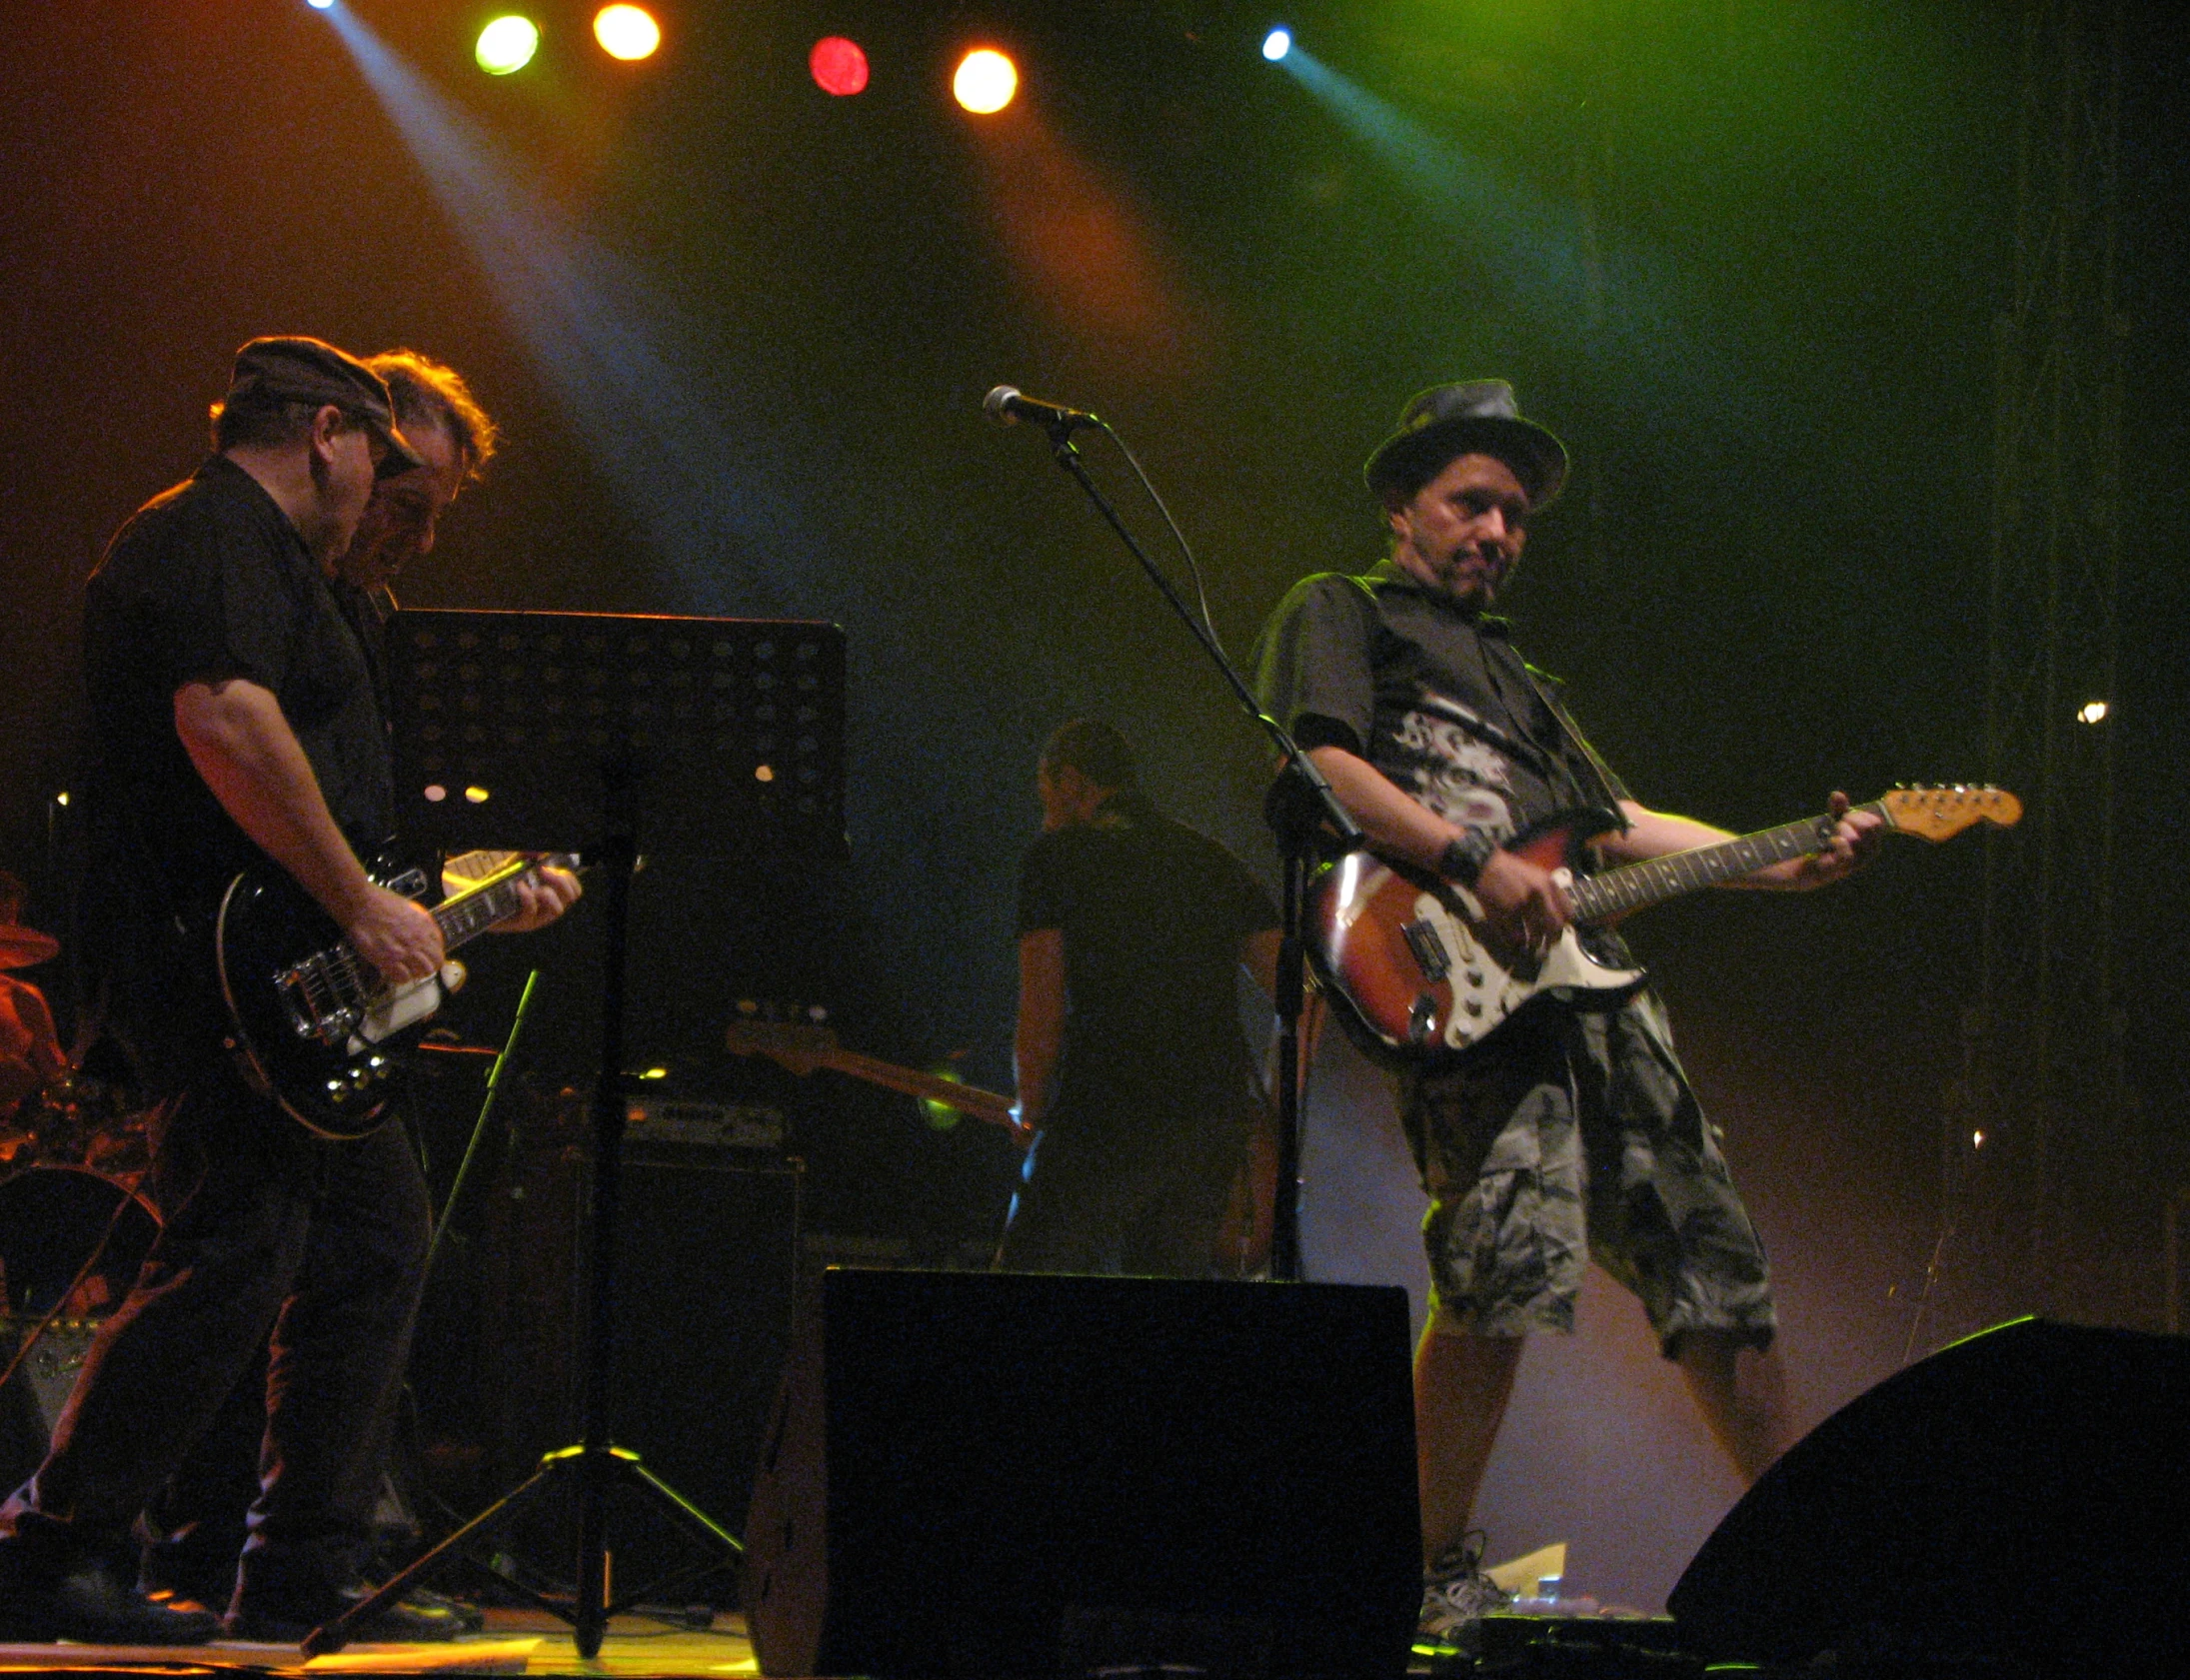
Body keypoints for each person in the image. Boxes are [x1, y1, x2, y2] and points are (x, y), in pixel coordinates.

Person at [1252, 380, 1882, 1649]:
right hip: (1458, 975)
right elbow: (1318, 765)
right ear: (1401, 506)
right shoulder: (1345, 610)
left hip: (1596, 987)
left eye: (1515, 516)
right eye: (1471, 502)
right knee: (1503, 1259)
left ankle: (1825, 1570)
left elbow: (1621, 826)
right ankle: (1417, 1572)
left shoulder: (1522, 678)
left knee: (1713, 1260)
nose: (1496, 530)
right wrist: (1471, 859)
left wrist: (1786, 853)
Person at [0, 338, 578, 1647]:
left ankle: (291, 1575)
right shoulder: (203, 537)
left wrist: (451, 890)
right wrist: (368, 905)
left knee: (374, 1244)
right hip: (201, 971)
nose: (396, 517)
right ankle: (53, 1546)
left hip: (278, 976)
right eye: (386, 473)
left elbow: (332, 812)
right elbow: (224, 721)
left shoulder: (318, 593)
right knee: (235, 1249)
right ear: (329, 434)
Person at [996, 721, 1281, 1278]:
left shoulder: (1054, 858)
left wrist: (1028, 1104)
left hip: (1107, 1108)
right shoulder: (1214, 861)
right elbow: (1298, 993)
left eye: (1047, 799)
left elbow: (1043, 1008)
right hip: (1211, 1117)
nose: (1046, 817)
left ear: (1073, 783)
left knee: (1025, 1286)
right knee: (1164, 1312)